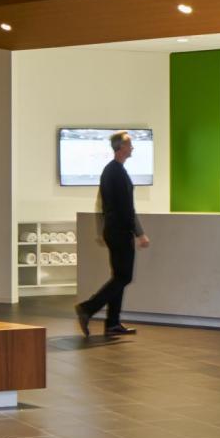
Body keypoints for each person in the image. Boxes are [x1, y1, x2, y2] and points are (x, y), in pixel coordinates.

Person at [77, 130, 149, 337]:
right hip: (120, 232)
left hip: (114, 231)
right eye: (130, 144)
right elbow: (126, 208)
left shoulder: (112, 170)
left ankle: (112, 323)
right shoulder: (115, 172)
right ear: (121, 148)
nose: (132, 147)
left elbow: (104, 204)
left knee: (119, 276)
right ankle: (87, 308)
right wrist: (139, 233)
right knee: (123, 277)